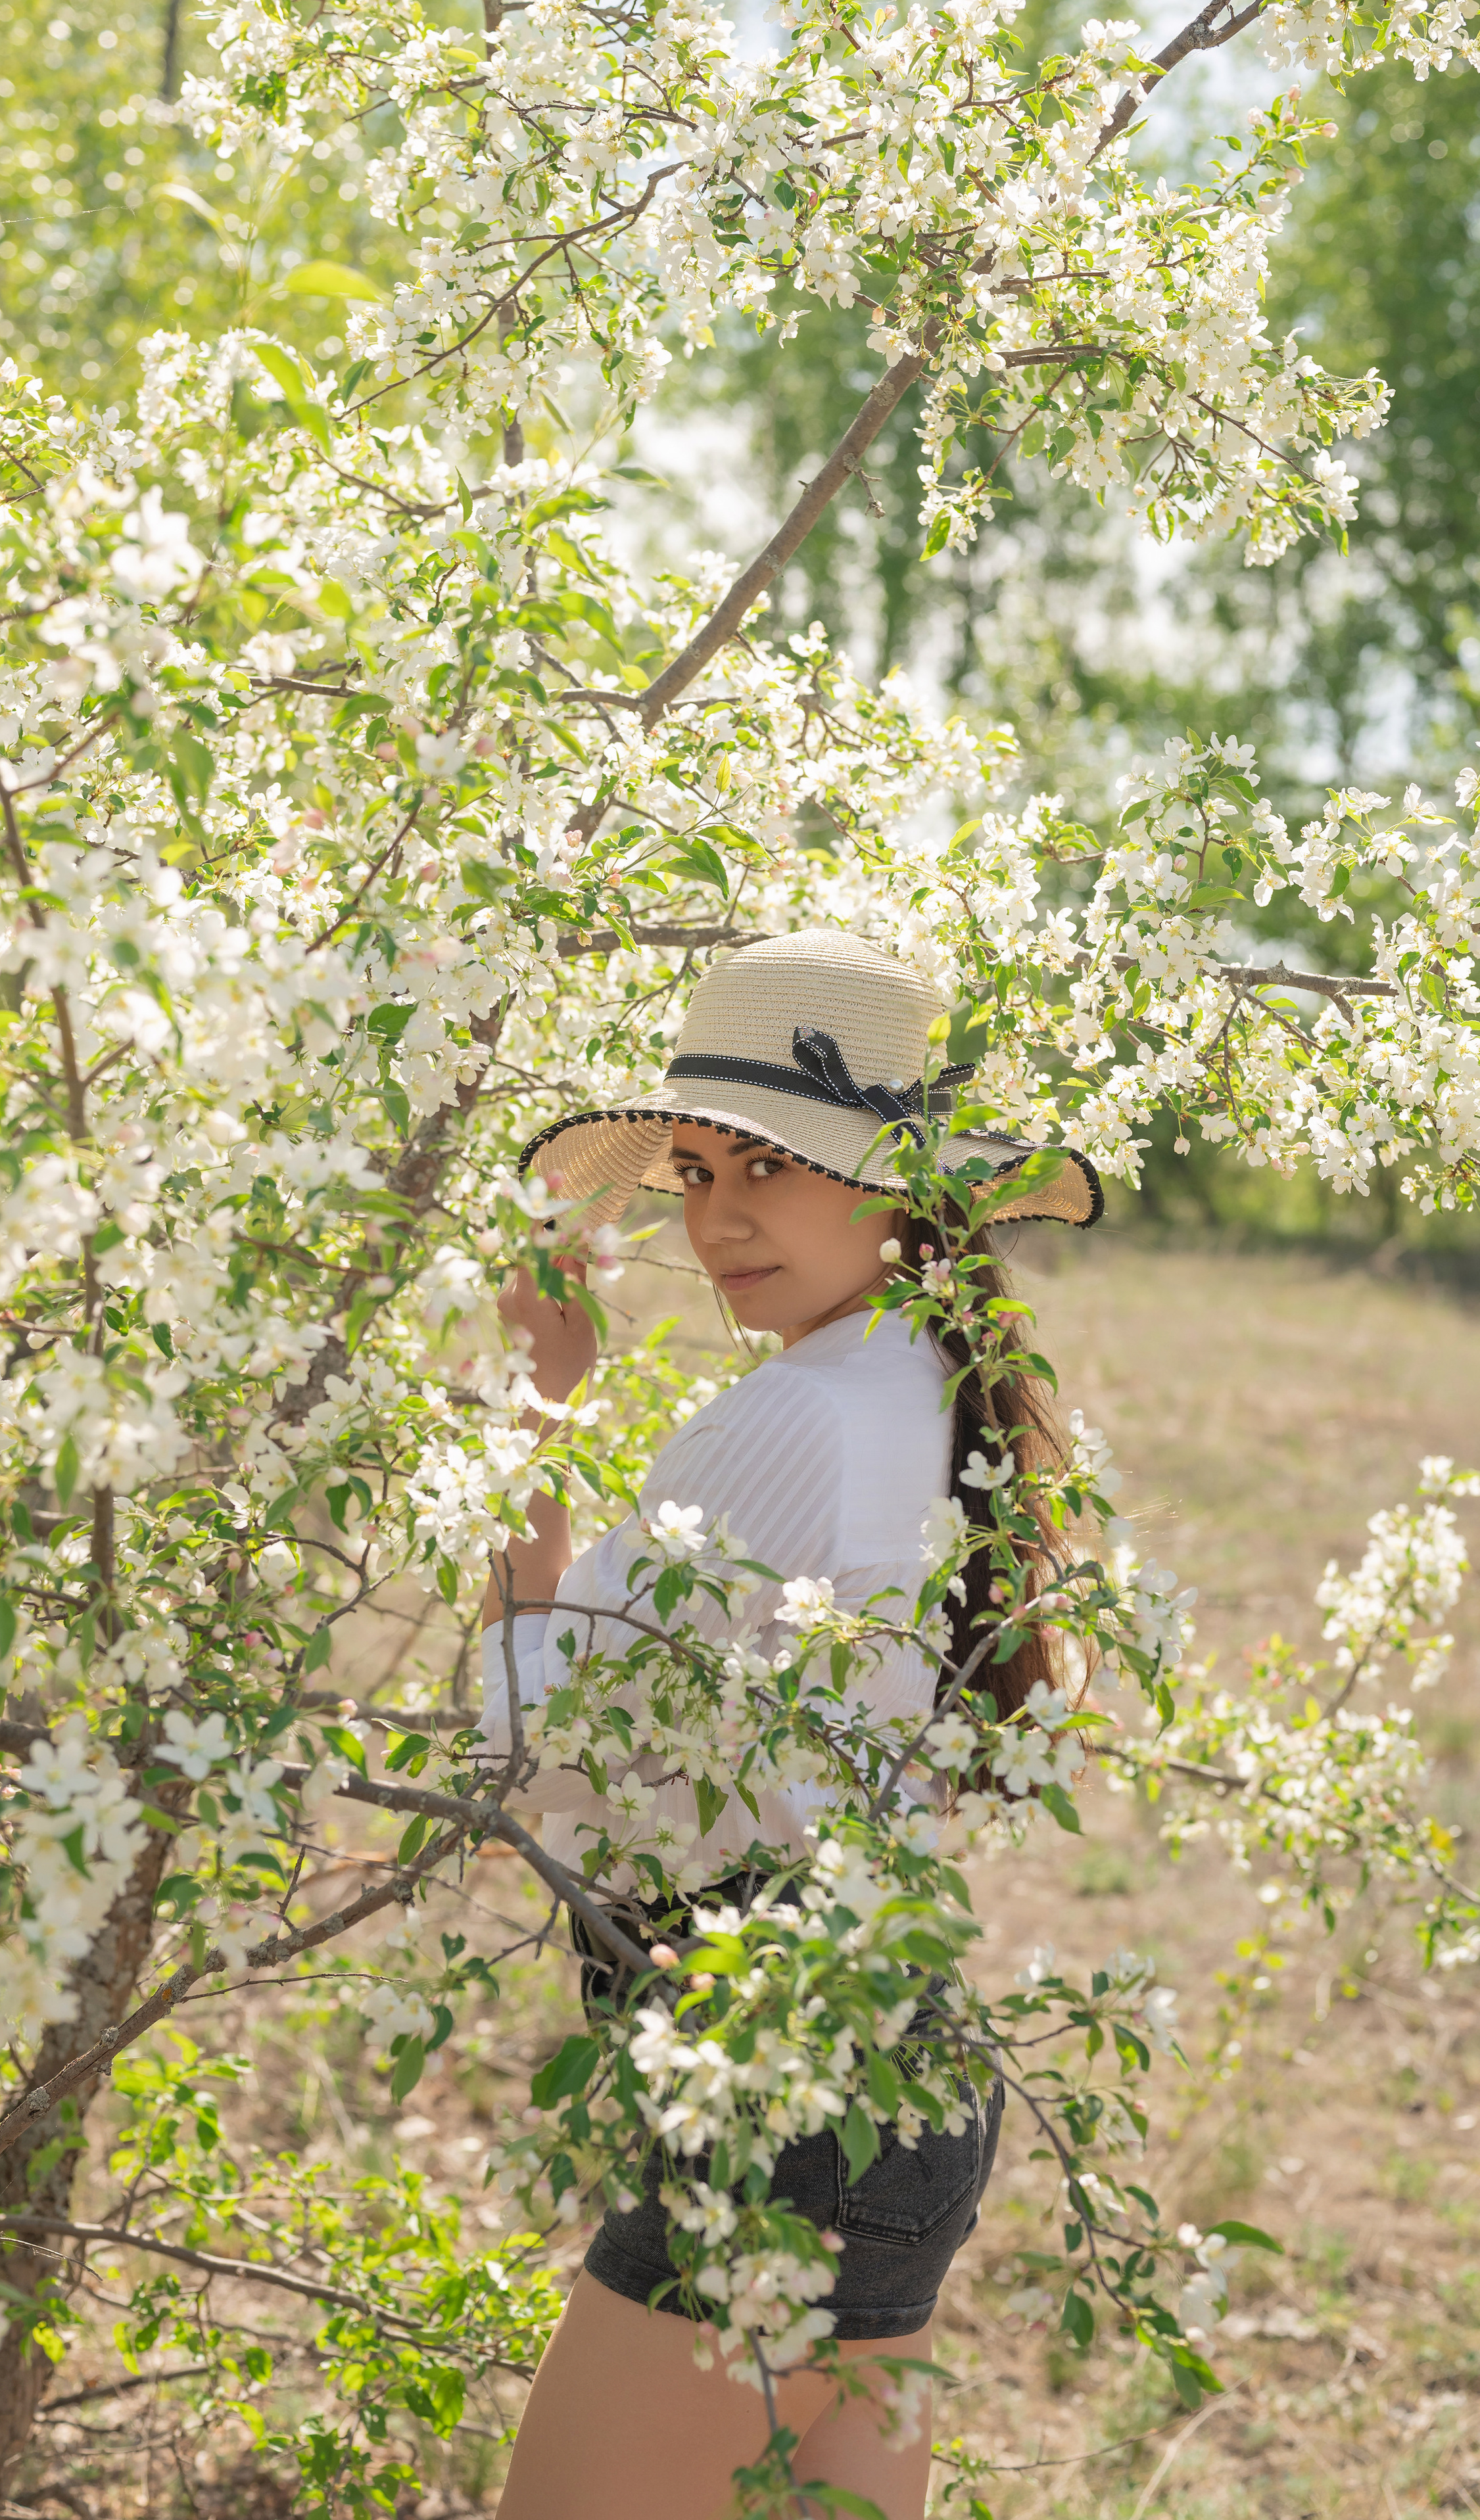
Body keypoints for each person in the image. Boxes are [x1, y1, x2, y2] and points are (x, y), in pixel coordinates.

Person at [477, 931, 1102, 2520]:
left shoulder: (794, 1412)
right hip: (905, 2092)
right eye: (692, 1170)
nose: (719, 1217)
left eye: (775, 1164)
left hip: (778, 2102)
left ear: (901, 1187)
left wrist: (534, 1411)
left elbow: (523, 1749)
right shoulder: (935, 1387)